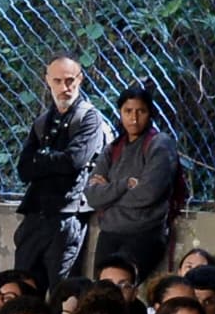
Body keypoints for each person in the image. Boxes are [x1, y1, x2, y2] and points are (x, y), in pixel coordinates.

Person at [9, 57, 113, 283]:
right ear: (47, 81)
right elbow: (24, 169)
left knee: (62, 293)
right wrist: (54, 161)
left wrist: (43, 158)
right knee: (21, 285)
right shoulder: (43, 121)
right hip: (36, 214)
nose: (64, 88)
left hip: (67, 214)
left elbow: (74, 161)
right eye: (57, 81)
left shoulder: (88, 117)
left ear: (80, 80)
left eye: (69, 81)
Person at [85, 89, 184, 281]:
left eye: (141, 111)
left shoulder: (159, 145)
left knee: (123, 287)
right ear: (120, 113)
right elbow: (92, 195)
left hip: (144, 234)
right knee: (101, 290)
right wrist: (124, 185)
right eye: (128, 111)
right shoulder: (112, 149)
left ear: (150, 113)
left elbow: (148, 194)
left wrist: (109, 191)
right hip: (110, 233)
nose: (134, 118)